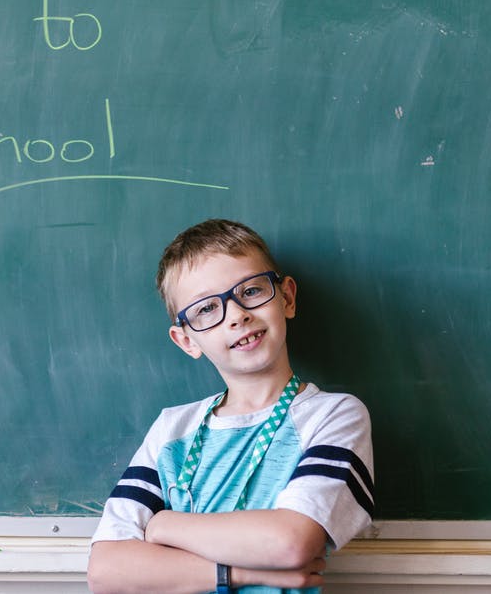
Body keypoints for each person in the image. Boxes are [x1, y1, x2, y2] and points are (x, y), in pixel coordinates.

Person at [86, 219, 374, 594]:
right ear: (186, 340)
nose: (237, 315)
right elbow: (106, 570)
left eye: (251, 290)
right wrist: (243, 573)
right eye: (206, 309)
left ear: (286, 298)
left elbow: (290, 543)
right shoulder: (172, 430)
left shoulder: (333, 416)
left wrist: (162, 526)